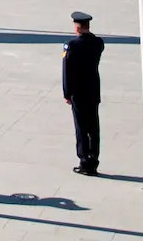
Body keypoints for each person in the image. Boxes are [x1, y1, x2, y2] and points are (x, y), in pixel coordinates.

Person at [63, 11, 104, 175]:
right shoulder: (98, 43)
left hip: (78, 91)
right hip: (93, 89)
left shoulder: (72, 45)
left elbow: (67, 71)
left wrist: (67, 93)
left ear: (77, 28)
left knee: (81, 127)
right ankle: (94, 158)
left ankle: (84, 161)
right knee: (93, 127)